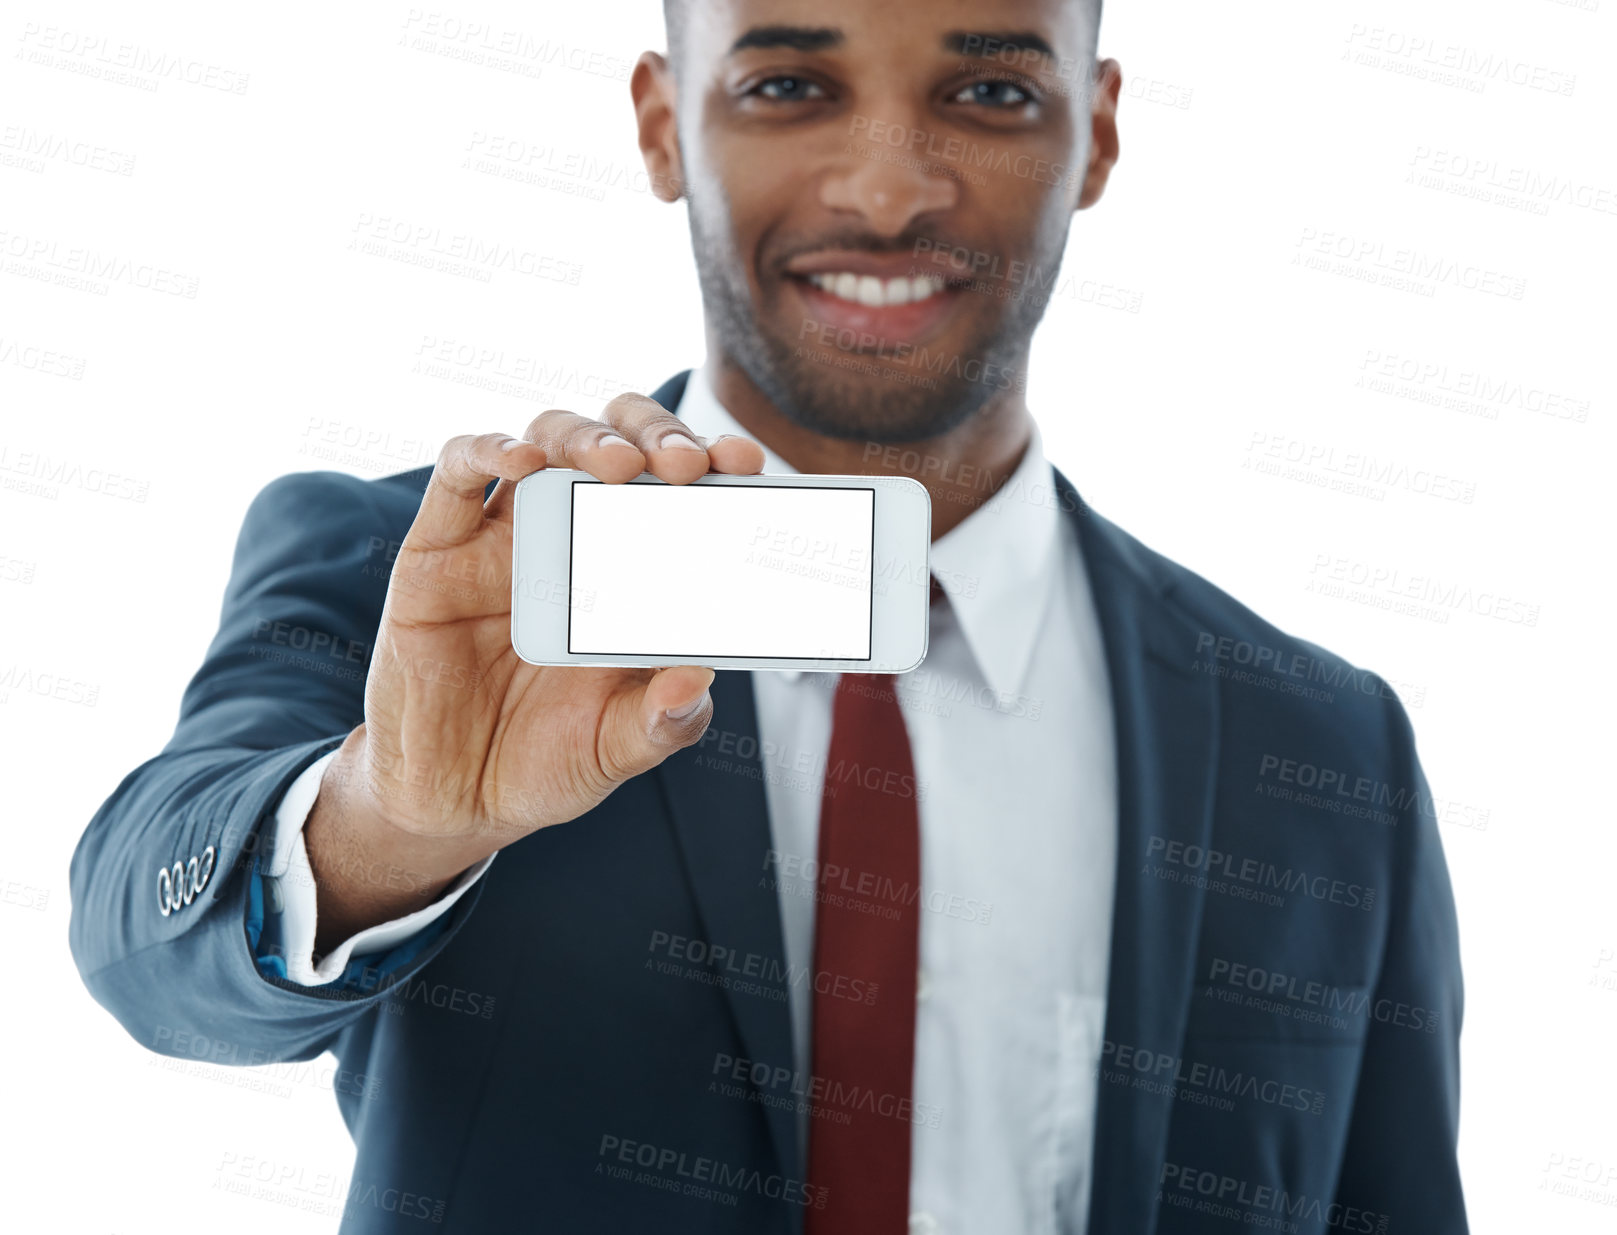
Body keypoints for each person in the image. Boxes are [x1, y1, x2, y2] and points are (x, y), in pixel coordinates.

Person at [69, 1, 1468, 1231]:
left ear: (1094, 134)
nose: (884, 191)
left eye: (987, 92)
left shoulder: (1326, 753)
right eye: (789, 86)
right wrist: (393, 817)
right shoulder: (440, 589)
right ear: (662, 120)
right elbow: (144, 950)